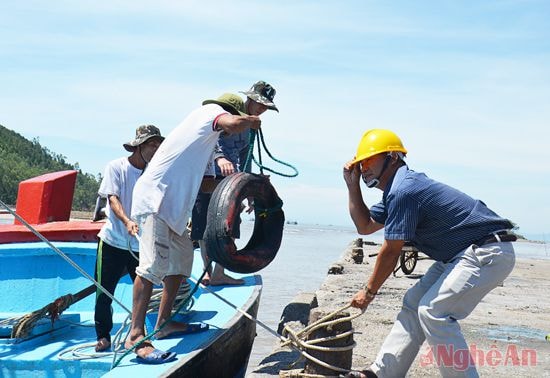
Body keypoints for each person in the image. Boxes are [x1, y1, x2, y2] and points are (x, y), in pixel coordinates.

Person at [342, 129, 516, 378]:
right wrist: (352, 185)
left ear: (392, 157)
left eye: (369, 160)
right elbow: (365, 225)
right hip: (460, 255)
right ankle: (381, 374)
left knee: (434, 311)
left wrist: (368, 292)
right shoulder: (396, 192)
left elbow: (391, 251)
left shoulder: (404, 191)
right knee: (414, 304)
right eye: (361, 162)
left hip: (487, 250)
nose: (364, 167)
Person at [126, 93, 262, 363]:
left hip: (174, 210)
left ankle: (164, 323)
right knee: (152, 266)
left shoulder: (204, 145)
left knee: (182, 264)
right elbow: (234, 123)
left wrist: (246, 182)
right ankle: (136, 335)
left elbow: (204, 184)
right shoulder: (207, 113)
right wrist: (250, 121)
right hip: (155, 200)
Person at [192, 81, 279, 286]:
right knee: (204, 227)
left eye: (265, 106)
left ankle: (219, 273)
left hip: (230, 182)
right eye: (259, 103)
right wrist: (219, 159)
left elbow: (245, 158)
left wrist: (249, 190)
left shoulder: (251, 129)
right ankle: (207, 271)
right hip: (208, 176)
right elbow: (209, 140)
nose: (261, 109)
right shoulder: (226, 115)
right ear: (249, 99)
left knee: (228, 227)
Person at [94, 125, 164, 352]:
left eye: (158, 145)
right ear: (139, 146)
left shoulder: (154, 174)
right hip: (113, 241)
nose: (156, 149)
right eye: (152, 144)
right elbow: (112, 198)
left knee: (144, 292)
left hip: (140, 244)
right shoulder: (117, 167)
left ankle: (138, 333)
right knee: (104, 292)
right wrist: (127, 221)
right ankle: (103, 335)